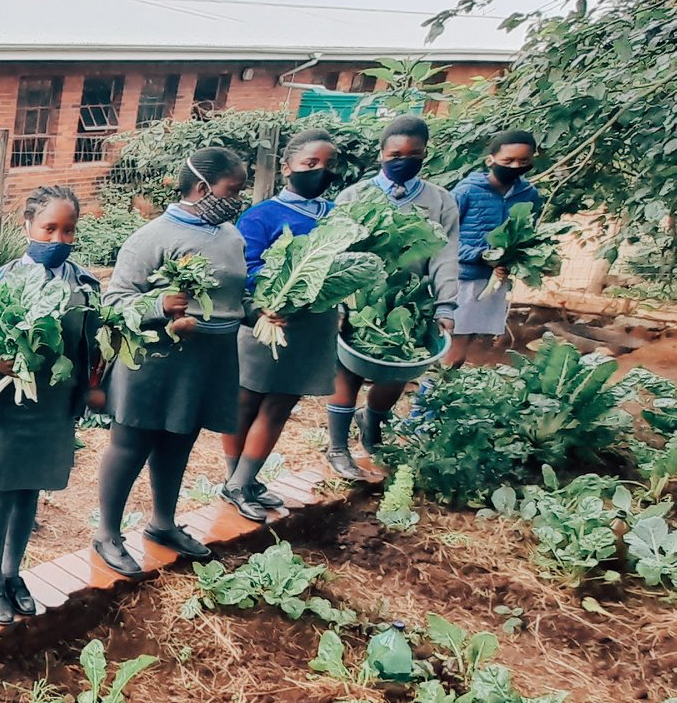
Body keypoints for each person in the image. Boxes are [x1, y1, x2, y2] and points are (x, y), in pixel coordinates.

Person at [94, 148, 250, 577]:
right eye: (232, 190)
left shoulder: (230, 236)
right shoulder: (151, 238)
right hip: (156, 359)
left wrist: (261, 310)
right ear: (201, 188)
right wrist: (159, 307)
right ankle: (107, 534)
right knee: (130, 446)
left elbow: (234, 296)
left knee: (180, 441)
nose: (237, 199)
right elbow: (114, 302)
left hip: (208, 361)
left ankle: (163, 524)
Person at [0, 184, 101, 624]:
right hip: (6, 408)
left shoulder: (85, 286)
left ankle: (12, 573)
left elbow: (94, 347)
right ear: (27, 226)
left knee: (29, 493)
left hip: (53, 408)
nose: (58, 239)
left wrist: (94, 387)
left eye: (68, 230)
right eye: (48, 228)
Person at [322, 115, 460, 480]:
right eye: (396, 154)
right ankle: (337, 447)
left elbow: (446, 256)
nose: (403, 160)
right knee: (346, 371)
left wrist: (445, 305)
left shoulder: (440, 201)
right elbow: (335, 250)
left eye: (414, 154)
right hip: (357, 298)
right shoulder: (355, 197)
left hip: (409, 301)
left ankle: (372, 425)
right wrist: (338, 303)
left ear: (425, 154)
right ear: (381, 153)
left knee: (397, 371)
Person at [222, 131, 343, 521]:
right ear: (287, 167)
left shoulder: (338, 216)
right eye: (310, 163)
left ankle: (245, 481)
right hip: (267, 319)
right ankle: (235, 481)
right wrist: (272, 298)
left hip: (312, 325)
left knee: (279, 405)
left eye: (328, 164)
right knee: (244, 402)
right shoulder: (260, 215)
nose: (320, 171)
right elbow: (247, 266)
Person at [446, 130, 542, 368]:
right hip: (461, 280)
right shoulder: (466, 191)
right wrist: (482, 255)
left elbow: (526, 238)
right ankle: (429, 390)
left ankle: (439, 386)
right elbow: (442, 237)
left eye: (523, 161)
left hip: (494, 283)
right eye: (508, 160)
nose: (515, 166)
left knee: (467, 345)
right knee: (452, 349)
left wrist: (509, 262)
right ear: (491, 160)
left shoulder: (529, 195)